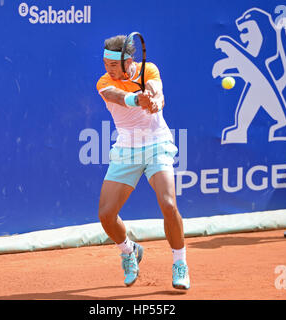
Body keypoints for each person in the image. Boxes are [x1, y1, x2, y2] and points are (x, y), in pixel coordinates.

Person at [96, 34, 190, 289]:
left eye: (113, 65)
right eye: (105, 63)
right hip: (127, 149)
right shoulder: (104, 82)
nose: (108, 69)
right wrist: (137, 99)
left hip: (157, 144)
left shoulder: (149, 69)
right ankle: (129, 251)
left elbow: (156, 89)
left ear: (128, 62)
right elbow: (116, 96)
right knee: (106, 215)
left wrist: (154, 97)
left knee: (168, 204)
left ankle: (179, 262)